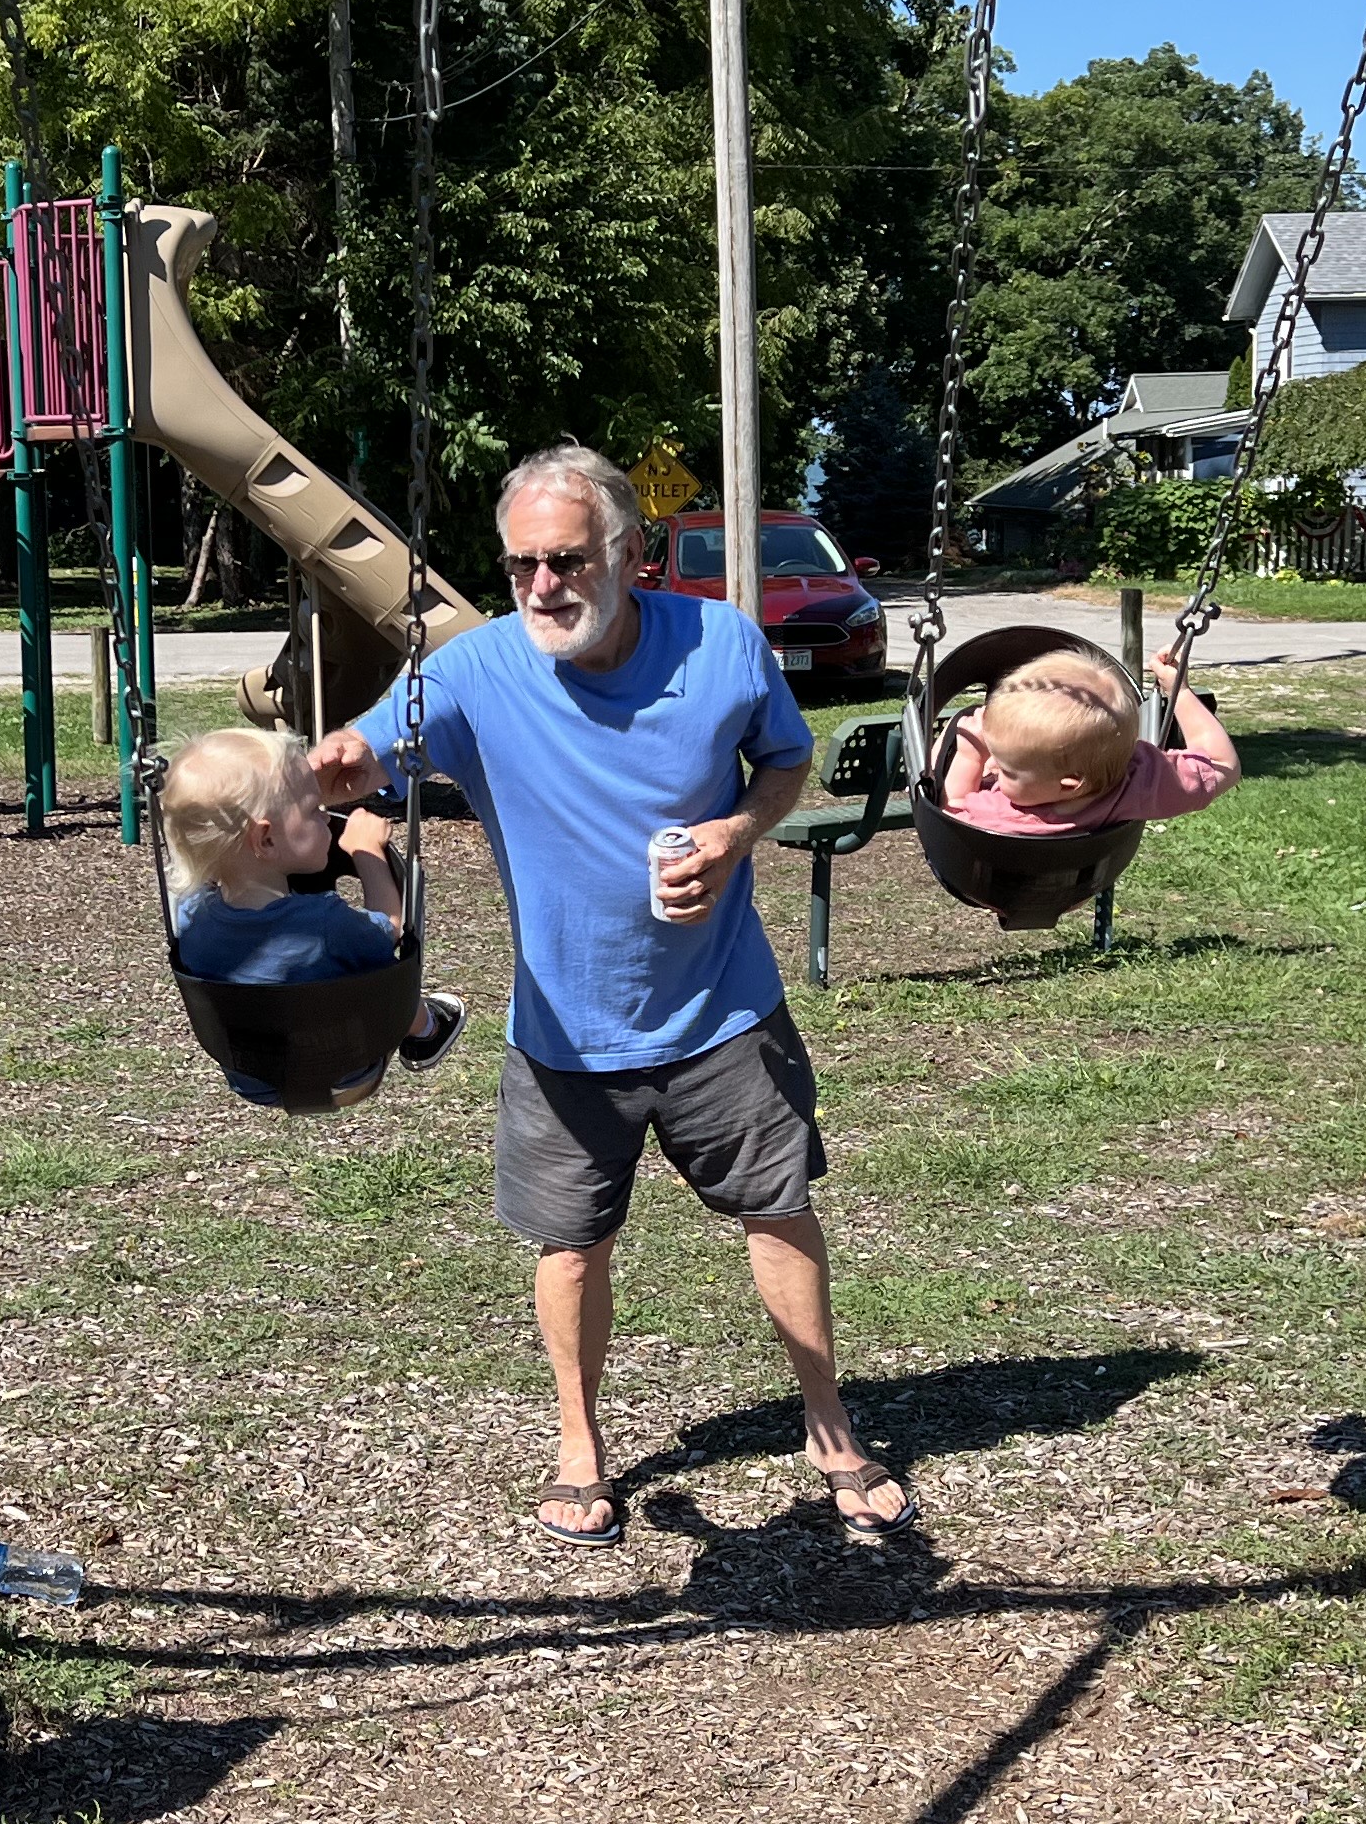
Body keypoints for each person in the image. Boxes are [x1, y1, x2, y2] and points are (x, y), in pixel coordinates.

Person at [307, 441, 910, 1548]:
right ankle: (579, 1446)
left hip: (724, 1009)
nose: (545, 586)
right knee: (571, 1244)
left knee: (779, 1210)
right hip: (562, 1026)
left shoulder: (720, 643)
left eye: (570, 560)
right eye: (523, 564)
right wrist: (340, 766)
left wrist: (736, 832)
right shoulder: (472, 671)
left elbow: (786, 760)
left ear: (630, 553)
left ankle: (829, 1420)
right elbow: (362, 753)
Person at [159, 723, 466, 1106]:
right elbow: (392, 927)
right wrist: (365, 851)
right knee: (375, 972)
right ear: (266, 839)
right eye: (313, 810)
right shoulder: (322, 926)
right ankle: (427, 1028)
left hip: (253, 1075)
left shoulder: (191, 919)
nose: (325, 817)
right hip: (344, 1069)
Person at [933, 641, 1242, 839]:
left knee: (955, 733)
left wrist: (970, 758)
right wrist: (1181, 691)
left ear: (1069, 783)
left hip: (1000, 883)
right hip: (1083, 879)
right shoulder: (1138, 783)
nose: (995, 767)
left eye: (1008, 769)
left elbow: (951, 816)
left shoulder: (1005, 817)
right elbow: (1223, 765)